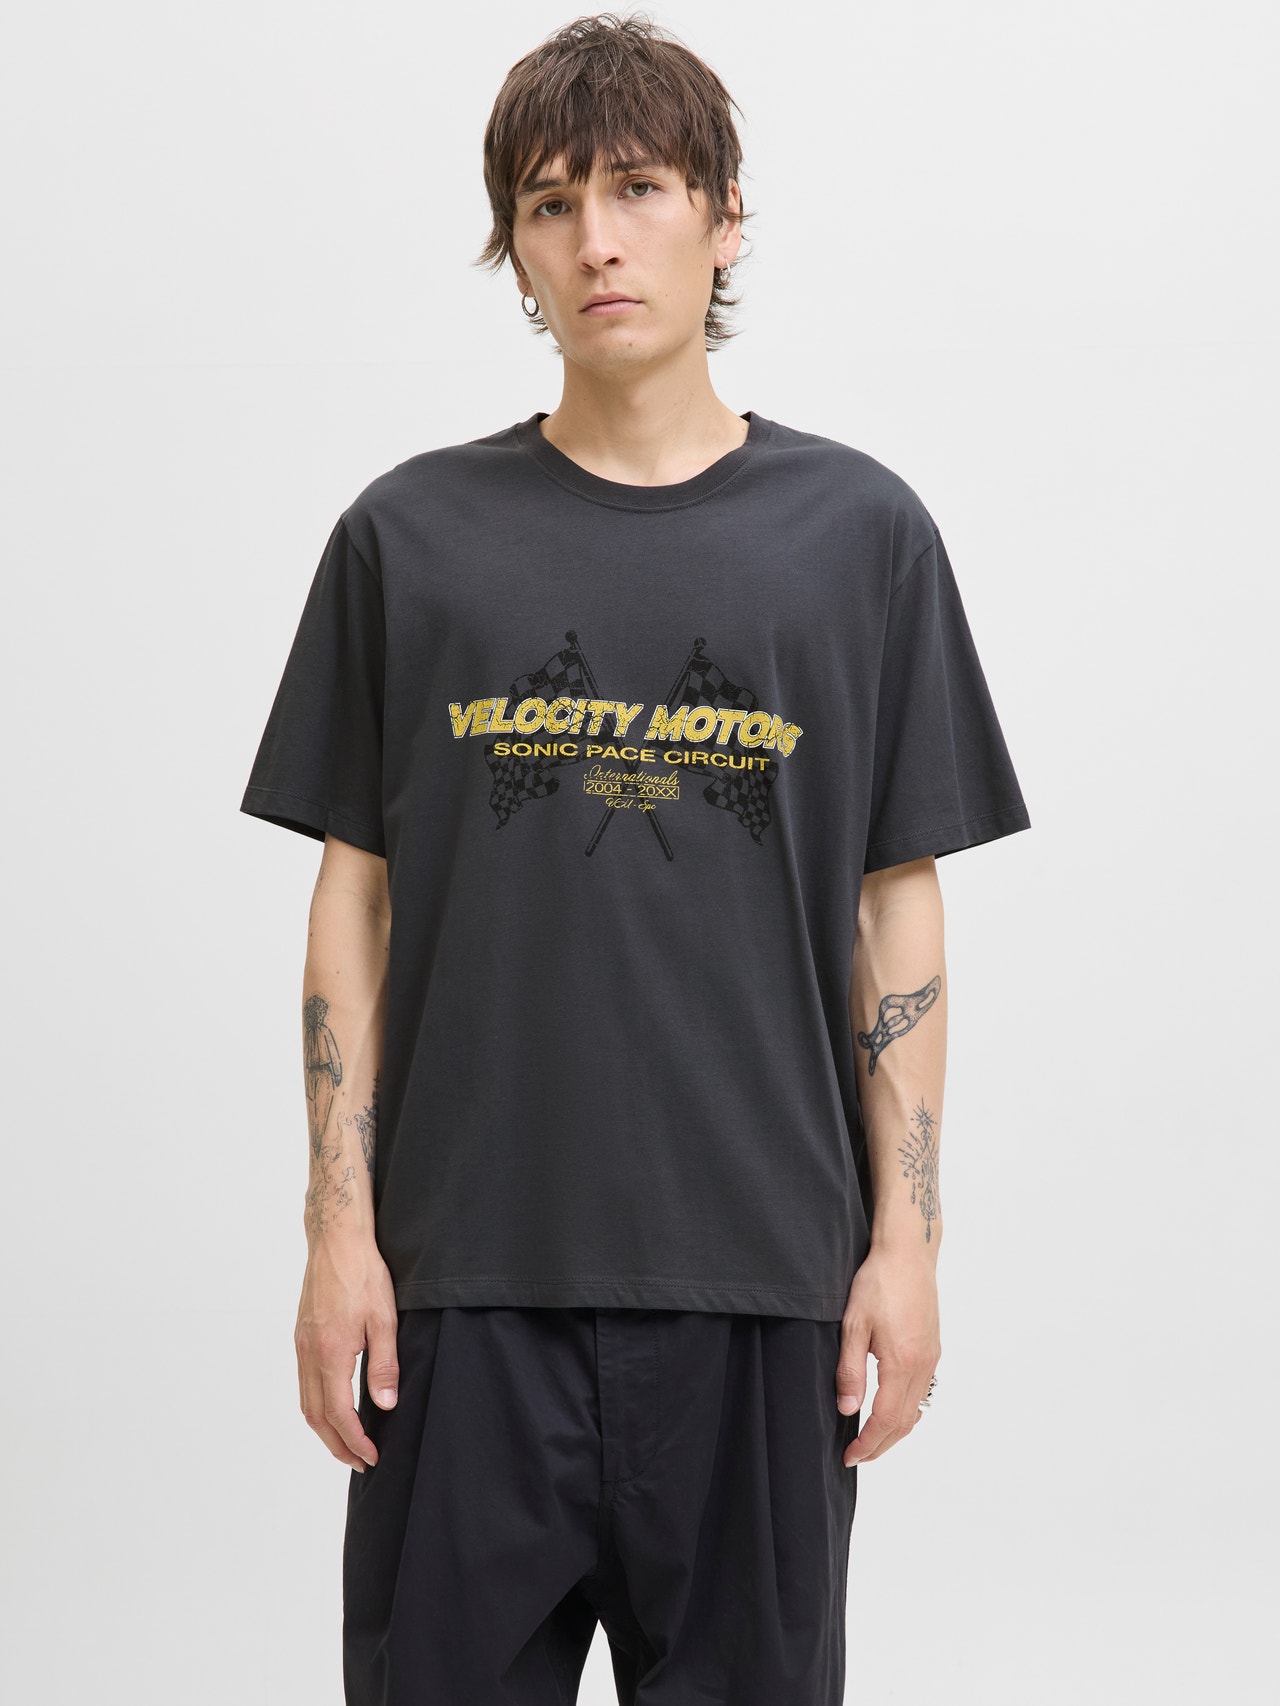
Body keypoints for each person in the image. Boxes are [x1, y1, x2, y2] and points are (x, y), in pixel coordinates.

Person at [239, 12, 1031, 1703]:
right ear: (514, 248)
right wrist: (334, 1235)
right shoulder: (408, 539)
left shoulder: (861, 539)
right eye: (549, 204)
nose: (596, 239)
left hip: (763, 1293)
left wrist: (908, 1247)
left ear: (725, 217)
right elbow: (352, 902)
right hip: (461, 1298)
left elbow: (897, 909)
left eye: (639, 188)